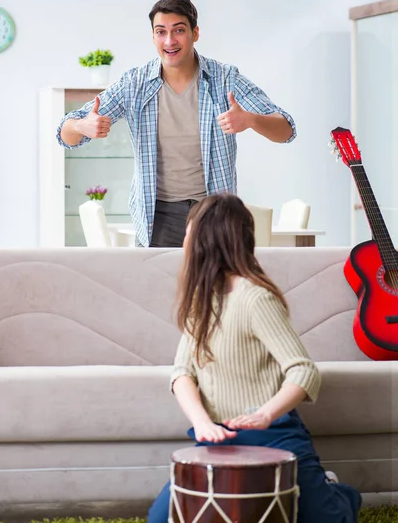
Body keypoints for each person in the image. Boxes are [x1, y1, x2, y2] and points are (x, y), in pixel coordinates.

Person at [147, 193, 361, 523]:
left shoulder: (255, 298)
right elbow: (182, 373)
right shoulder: (202, 298)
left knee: (328, 520)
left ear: (207, 240)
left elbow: (303, 371)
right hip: (217, 436)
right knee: (160, 520)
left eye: (189, 234)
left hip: (272, 432)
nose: (184, 241)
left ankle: (339, 493)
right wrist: (202, 422)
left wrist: (264, 414)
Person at [56, 0, 296, 248]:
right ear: (153, 37)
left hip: (214, 215)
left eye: (179, 30)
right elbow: (64, 132)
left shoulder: (225, 79)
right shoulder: (134, 84)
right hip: (158, 216)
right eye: (161, 32)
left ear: (195, 33)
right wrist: (82, 126)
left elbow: (286, 129)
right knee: (158, 288)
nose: (169, 41)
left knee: (216, 288)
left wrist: (250, 119)